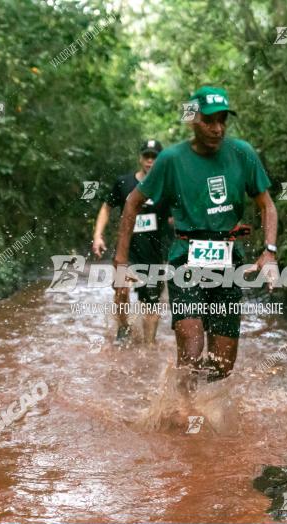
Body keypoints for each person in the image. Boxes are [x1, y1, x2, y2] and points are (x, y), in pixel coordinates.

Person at [113, 86, 278, 390]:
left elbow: (266, 205)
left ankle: (195, 402)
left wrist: (269, 251)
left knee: (222, 366)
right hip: (185, 260)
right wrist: (121, 261)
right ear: (193, 120)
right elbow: (132, 202)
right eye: (208, 121)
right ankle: (181, 414)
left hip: (228, 264)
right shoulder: (171, 159)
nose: (217, 129)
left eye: (222, 121)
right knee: (191, 350)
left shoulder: (242, 153)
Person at [92, 139, 170, 344]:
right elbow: (106, 207)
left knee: (151, 303)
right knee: (121, 289)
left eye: (155, 157)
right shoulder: (123, 183)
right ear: (140, 158)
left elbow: (176, 216)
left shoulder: (166, 187)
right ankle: (123, 328)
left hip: (154, 253)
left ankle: (149, 344)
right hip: (126, 251)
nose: (150, 161)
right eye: (147, 156)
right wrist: (98, 236)